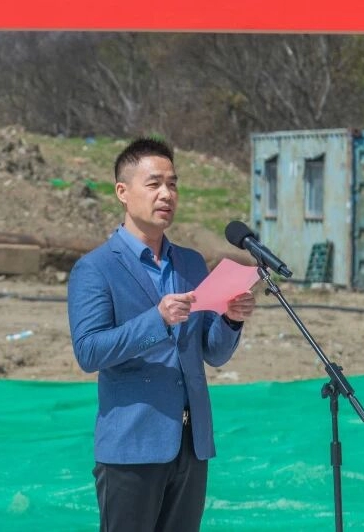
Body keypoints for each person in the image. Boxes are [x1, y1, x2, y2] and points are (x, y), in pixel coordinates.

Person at [67, 137, 256, 532]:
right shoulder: (96, 268)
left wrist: (231, 321)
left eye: (172, 184)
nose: (166, 194)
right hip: (133, 445)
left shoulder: (190, 263)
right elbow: (89, 351)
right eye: (154, 184)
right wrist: (157, 320)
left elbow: (212, 352)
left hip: (191, 443)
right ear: (122, 192)